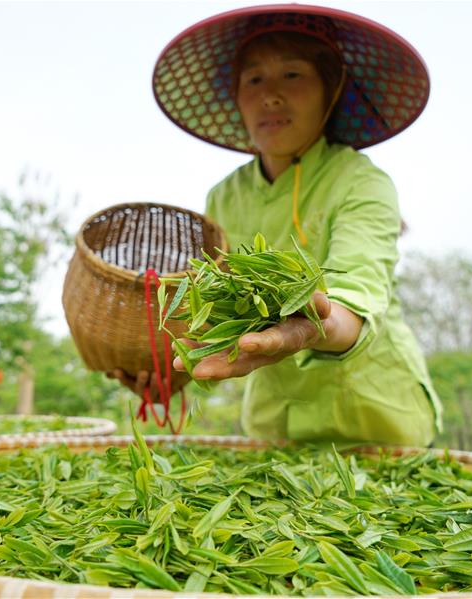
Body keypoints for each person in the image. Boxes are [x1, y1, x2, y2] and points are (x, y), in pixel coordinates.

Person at [113, 4, 442, 447]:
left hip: (374, 416)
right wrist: (180, 370)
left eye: (293, 75)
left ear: (331, 90)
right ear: (236, 96)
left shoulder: (360, 181)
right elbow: (221, 307)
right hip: (275, 423)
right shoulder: (224, 197)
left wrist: (313, 325)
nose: (270, 95)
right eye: (253, 79)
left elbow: (357, 299)